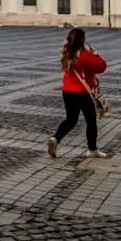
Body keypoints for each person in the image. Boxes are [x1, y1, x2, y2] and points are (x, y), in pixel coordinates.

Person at [47, 28, 108, 159]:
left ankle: (55, 138)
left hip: (67, 91)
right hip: (82, 93)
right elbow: (101, 66)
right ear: (82, 40)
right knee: (91, 121)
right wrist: (95, 54)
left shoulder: (66, 53)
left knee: (71, 119)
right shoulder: (84, 55)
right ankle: (92, 150)